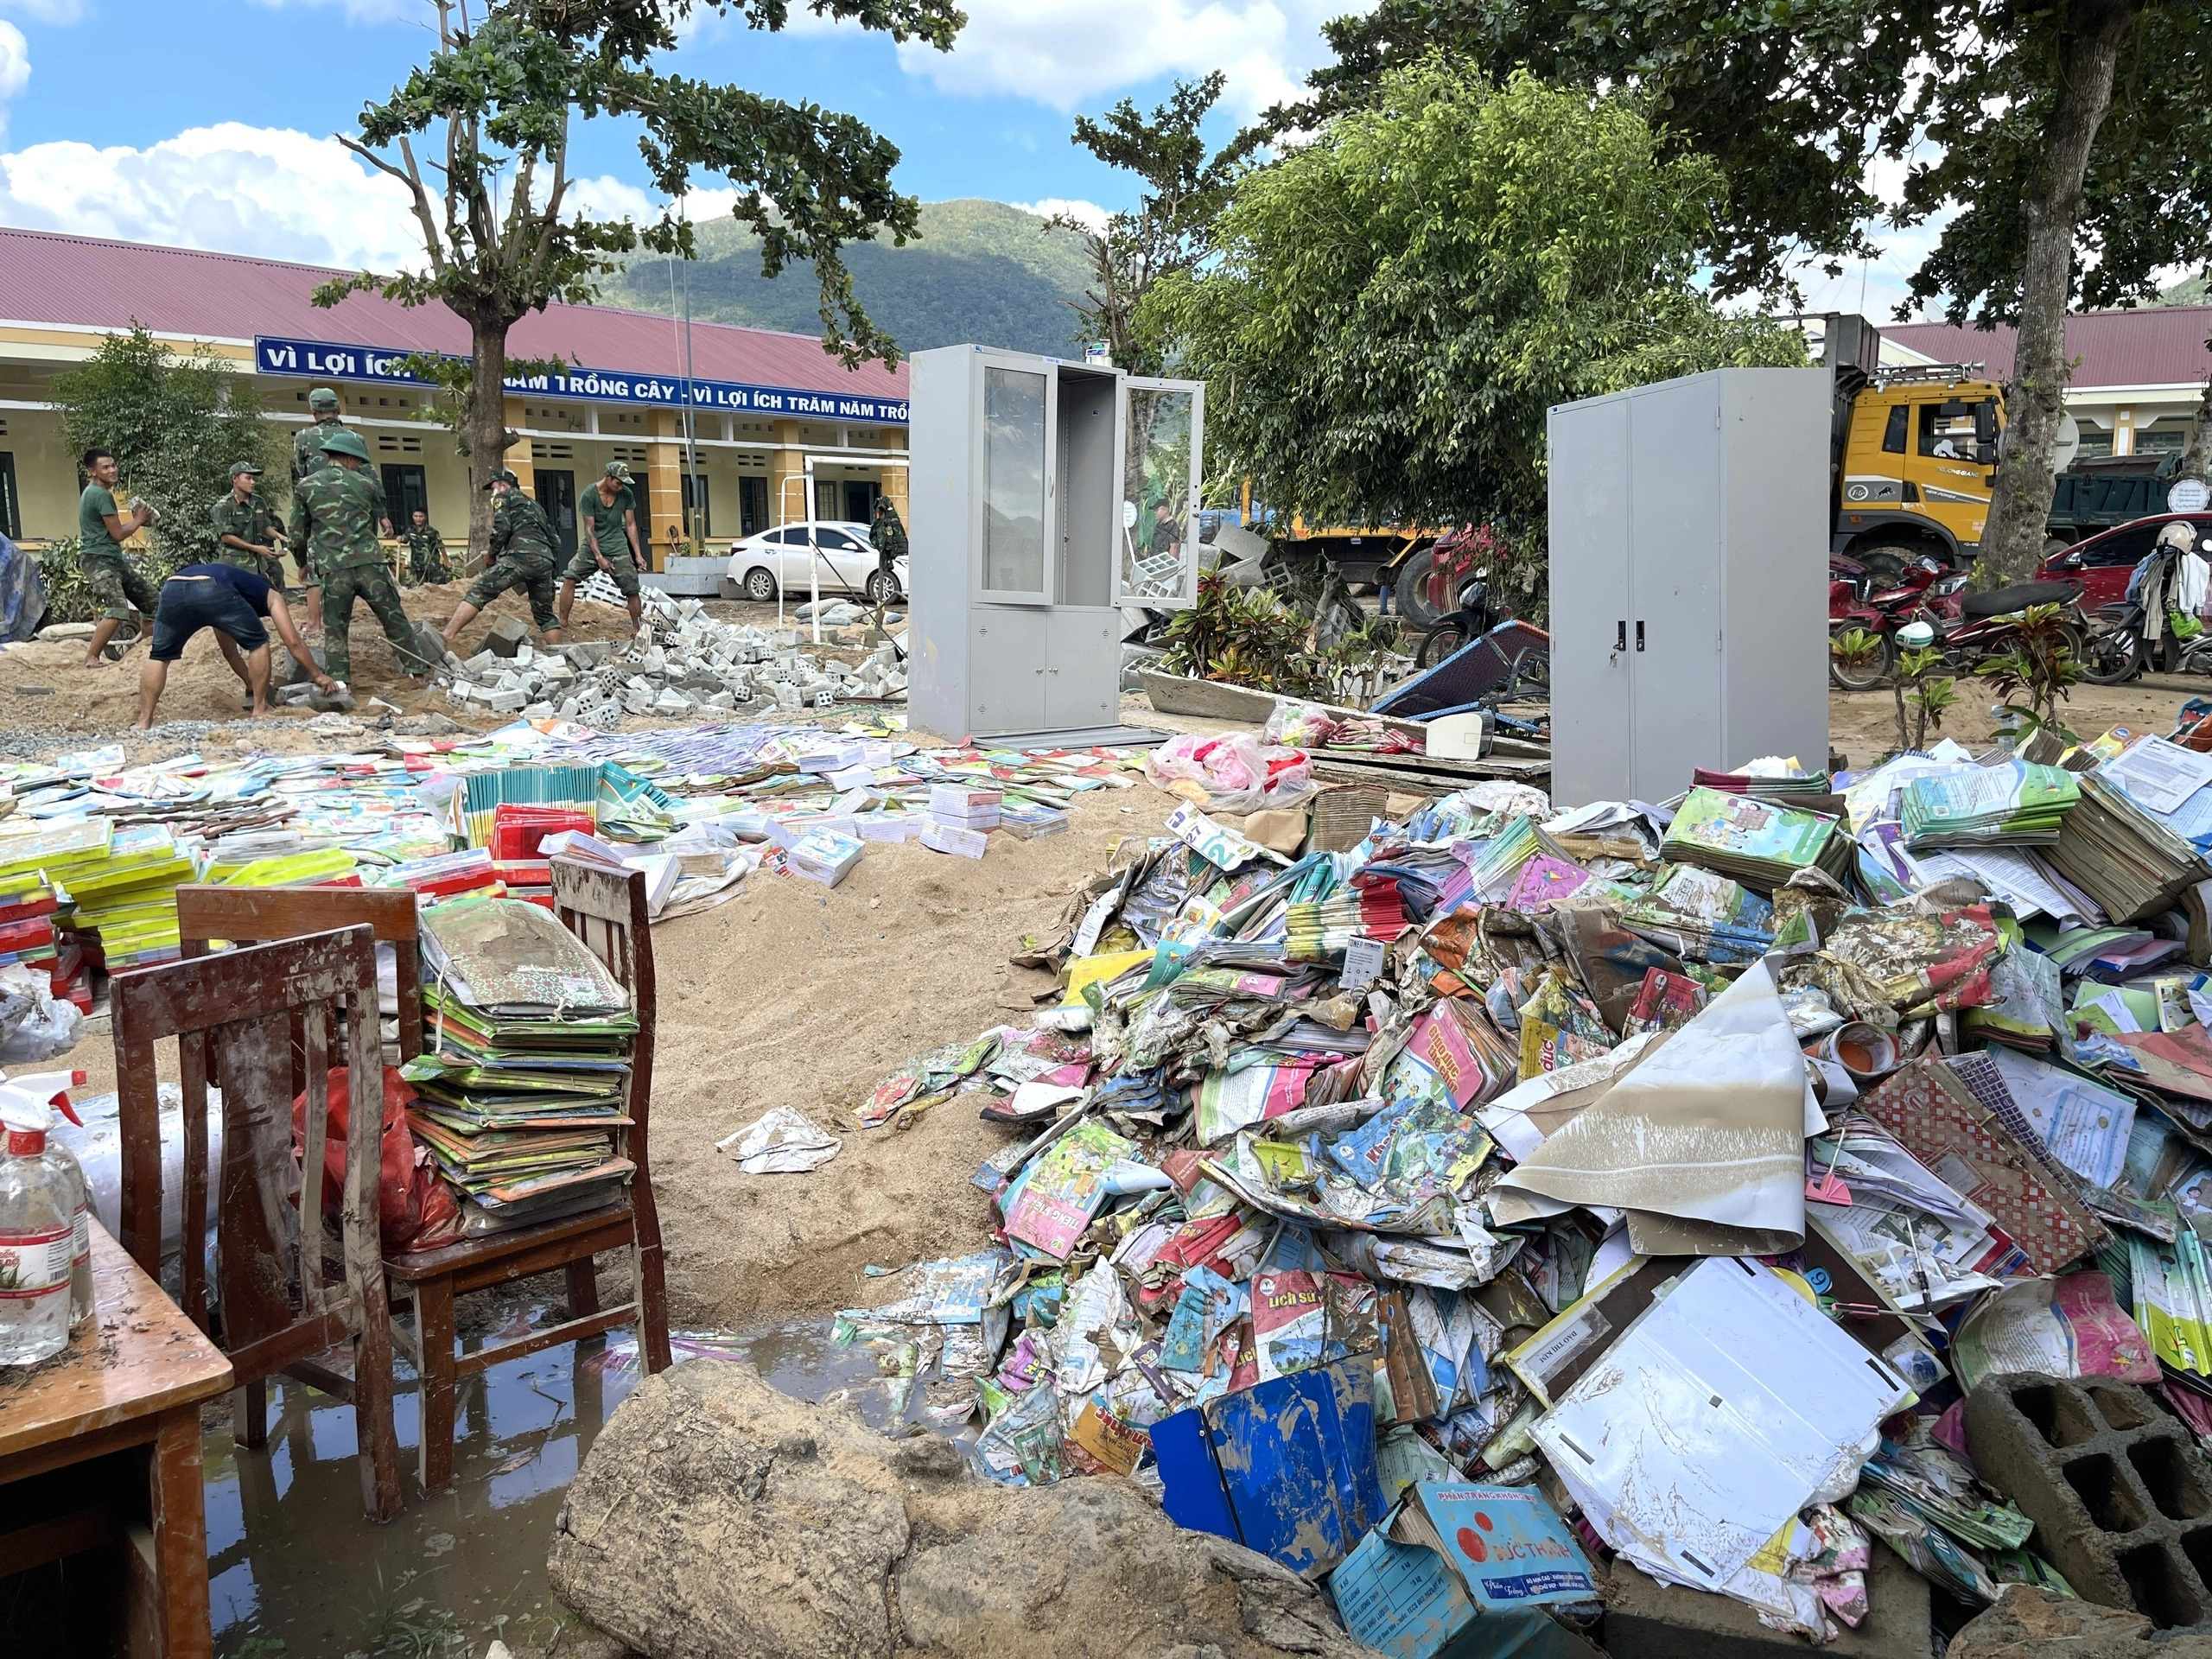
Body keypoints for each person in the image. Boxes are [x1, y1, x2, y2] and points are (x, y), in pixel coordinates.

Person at [289, 429, 433, 690]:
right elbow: (370, 525)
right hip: (371, 565)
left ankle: (340, 684)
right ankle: (418, 674)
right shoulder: (366, 485)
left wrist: (302, 563)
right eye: (357, 460)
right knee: (394, 618)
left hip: (334, 569)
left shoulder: (306, 487)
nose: (358, 465)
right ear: (346, 458)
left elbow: (298, 534)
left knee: (335, 628)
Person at [135, 562, 339, 728]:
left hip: (172, 588)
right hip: (212, 587)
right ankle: (260, 708)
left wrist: (251, 684)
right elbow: (293, 641)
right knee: (258, 642)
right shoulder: (271, 594)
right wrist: (318, 675)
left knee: (159, 656)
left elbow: (229, 652)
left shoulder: (232, 586)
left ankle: (143, 721)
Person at [292, 387, 391, 633]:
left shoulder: (303, 437)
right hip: (357, 505)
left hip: (321, 509)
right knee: (368, 560)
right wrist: (383, 515)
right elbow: (370, 475)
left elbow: (300, 474)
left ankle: (315, 623)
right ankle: (383, 620)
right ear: (338, 409)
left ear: (313, 410)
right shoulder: (354, 437)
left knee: (317, 565)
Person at [442, 468, 563, 649]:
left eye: (493, 488)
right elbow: (556, 541)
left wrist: (491, 554)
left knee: (479, 590)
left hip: (520, 557)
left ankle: (447, 635)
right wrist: (543, 562)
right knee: (545, 614)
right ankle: (558, 654)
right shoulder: (535, 505)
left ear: (503, 485)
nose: (493, 493)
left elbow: (502, 528)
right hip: (545, 561)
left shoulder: (504, 497)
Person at [76, 448, 158, 668]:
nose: (113, 470)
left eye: (113, 465)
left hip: (112, 559)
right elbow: (118, 534)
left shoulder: (97, 493)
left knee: (153, 602)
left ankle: (149, 652)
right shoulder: (99, 494)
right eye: (106, 467)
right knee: (117, 609)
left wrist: (136, 520)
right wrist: (139, 519)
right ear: (92, 471)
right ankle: (91, 657)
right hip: (98, 559)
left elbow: (115, 531)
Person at [556, 461, 644, 632]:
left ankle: (637, 629)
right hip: (592, 545)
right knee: (570, 576)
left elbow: (631, 524)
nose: (621, 487)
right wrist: (599, 557)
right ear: (608, 477)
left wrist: (638, 555)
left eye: (623, 484)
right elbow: (589, 529)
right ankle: (562, 623)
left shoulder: (626, 494)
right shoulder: (589, 494)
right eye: (618, 483)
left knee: (632, 588)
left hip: (617, 546)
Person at [210, 461, 287, 584]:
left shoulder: (258, 501)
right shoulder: (223, 506)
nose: (253, 482)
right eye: (248, 478)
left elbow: (265, 526)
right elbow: (227, 537)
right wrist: (256, 548)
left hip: (259, 564)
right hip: (235, 564)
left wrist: (280, 536)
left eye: (253, 479)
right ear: (235, 479)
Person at [401, 509, 451, 587]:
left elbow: (441, 546)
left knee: (438, 587)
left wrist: (447, 561)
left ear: (425, 517)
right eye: (416, 516)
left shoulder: (432, 532)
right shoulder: (410, 530)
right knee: (421, 588)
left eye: (421, 516)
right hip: (418, 566)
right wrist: (400, 539)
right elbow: (404, 539)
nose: (418, 519)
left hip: (432, 566)